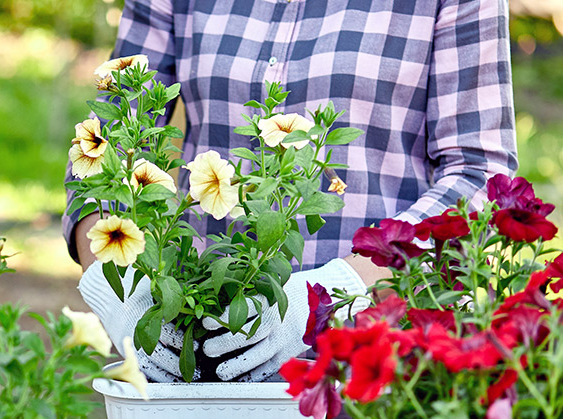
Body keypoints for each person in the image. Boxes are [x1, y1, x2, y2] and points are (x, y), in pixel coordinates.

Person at [64, 0, 518, 382]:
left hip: (374, 374)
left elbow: (479, 174)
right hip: (198, 363)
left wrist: (334, 295)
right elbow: (107, 145)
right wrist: (122, 292)